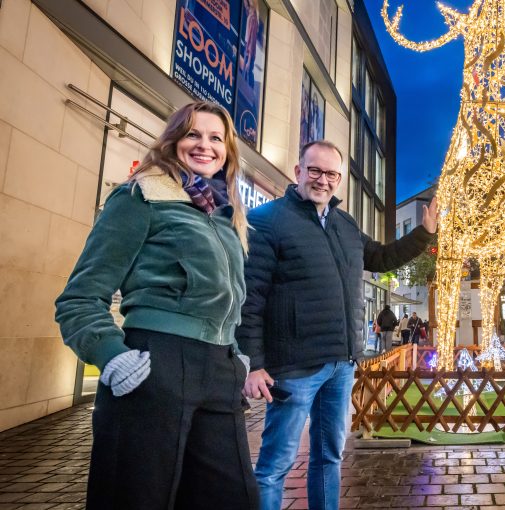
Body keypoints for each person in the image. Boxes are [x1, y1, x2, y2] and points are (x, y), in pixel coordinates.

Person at [54, 101, 258, 509]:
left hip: (219, 371)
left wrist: (235, 354)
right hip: (156, 365)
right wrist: (110, 356)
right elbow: (79, 298)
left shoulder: (225, 214)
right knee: (138, 497)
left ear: (228, 151)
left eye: (216, 138)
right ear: (173, 140)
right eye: (193, 135)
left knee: (234, 498)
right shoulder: (139, 196)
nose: (205, 145)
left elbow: (228, 299)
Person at [237, 140, 437, 510]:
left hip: (341, 364)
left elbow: (380, 257)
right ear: (298, 172)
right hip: (294, 366)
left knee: (329, 457)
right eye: (314, 170)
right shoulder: (267, 221)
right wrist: (254, 363)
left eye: (331, 173)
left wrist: (423, 233)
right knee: (274, 466)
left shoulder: (344, 223)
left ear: (340, 179)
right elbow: (251, 299)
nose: (322, 180)